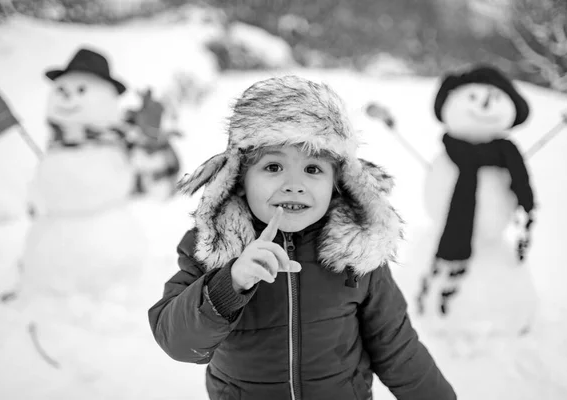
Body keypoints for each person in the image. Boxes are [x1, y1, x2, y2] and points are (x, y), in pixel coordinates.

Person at [148, 76, 456, 400]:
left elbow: (397, 347)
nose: (294, 184)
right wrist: (230, 283)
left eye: (312, 169)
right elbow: (178, 343)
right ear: (240, 178)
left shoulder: (357, 253)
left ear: (338, 182)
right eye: (273, 166)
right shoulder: (213, 247)